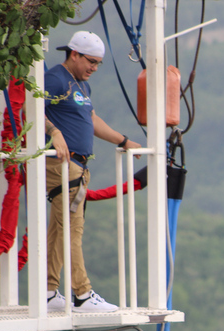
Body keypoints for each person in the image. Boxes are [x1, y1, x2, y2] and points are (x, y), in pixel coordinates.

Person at [44, 31, 142, 312]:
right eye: (91, 61)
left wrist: (123, 141)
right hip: (63, 164)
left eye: (98, 63)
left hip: (77, 165)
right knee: (72, 228)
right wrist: (54, 132)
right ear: (74, 54)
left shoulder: (81, 85)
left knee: (59, 229)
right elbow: (33, 108)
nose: (94, 68)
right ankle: (82, 294)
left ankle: (49, 292)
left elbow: (91, 118)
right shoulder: (56, 79)